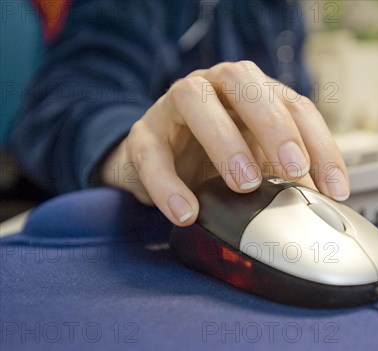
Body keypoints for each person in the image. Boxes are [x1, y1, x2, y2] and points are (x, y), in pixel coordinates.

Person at [9, 0, 349, 226]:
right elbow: (61, 101)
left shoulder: (282, 10)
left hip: (265, 214)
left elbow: (295, 98)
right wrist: (137, 151)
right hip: (123, 234)